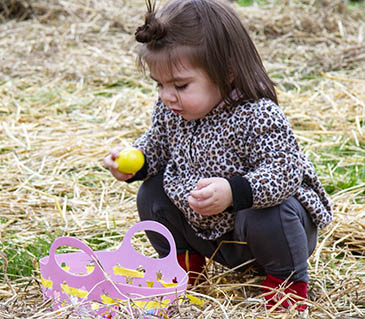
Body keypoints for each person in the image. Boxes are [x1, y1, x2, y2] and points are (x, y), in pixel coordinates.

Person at [104, 0, 333, 311]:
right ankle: (185, 267)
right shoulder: (172, 109)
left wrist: (233, 192)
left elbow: (285, 172)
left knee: (269, 210)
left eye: (180, 85)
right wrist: (137, 161)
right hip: (208, 235)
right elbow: (157, 145)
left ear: (226, 73)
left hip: (266, 238)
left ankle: (286, 288)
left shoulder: (257, 115)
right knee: (152, 193)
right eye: (159, 85)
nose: (167, 96)